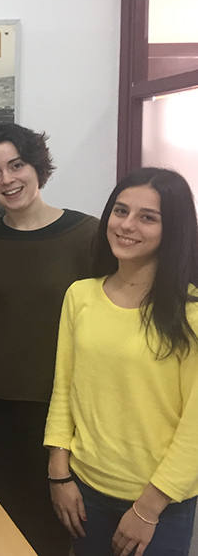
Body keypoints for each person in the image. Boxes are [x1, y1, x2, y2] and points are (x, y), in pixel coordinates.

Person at [45, 168, 198, 556]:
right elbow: (64, 390)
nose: (127, 225)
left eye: (147, 217)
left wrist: (147, 510)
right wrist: (58, 474)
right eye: (120, 211)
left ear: (174, 229)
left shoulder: (191, 313)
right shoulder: (80, 297)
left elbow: (194, 428)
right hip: (84, 491)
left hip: (160, 503)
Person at [0, 123, 97, 555]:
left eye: (16, 165)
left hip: (62, 411)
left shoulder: (88, 236)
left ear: (37, 165)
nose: (7, 180)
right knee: (4, 526)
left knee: (60, 528)